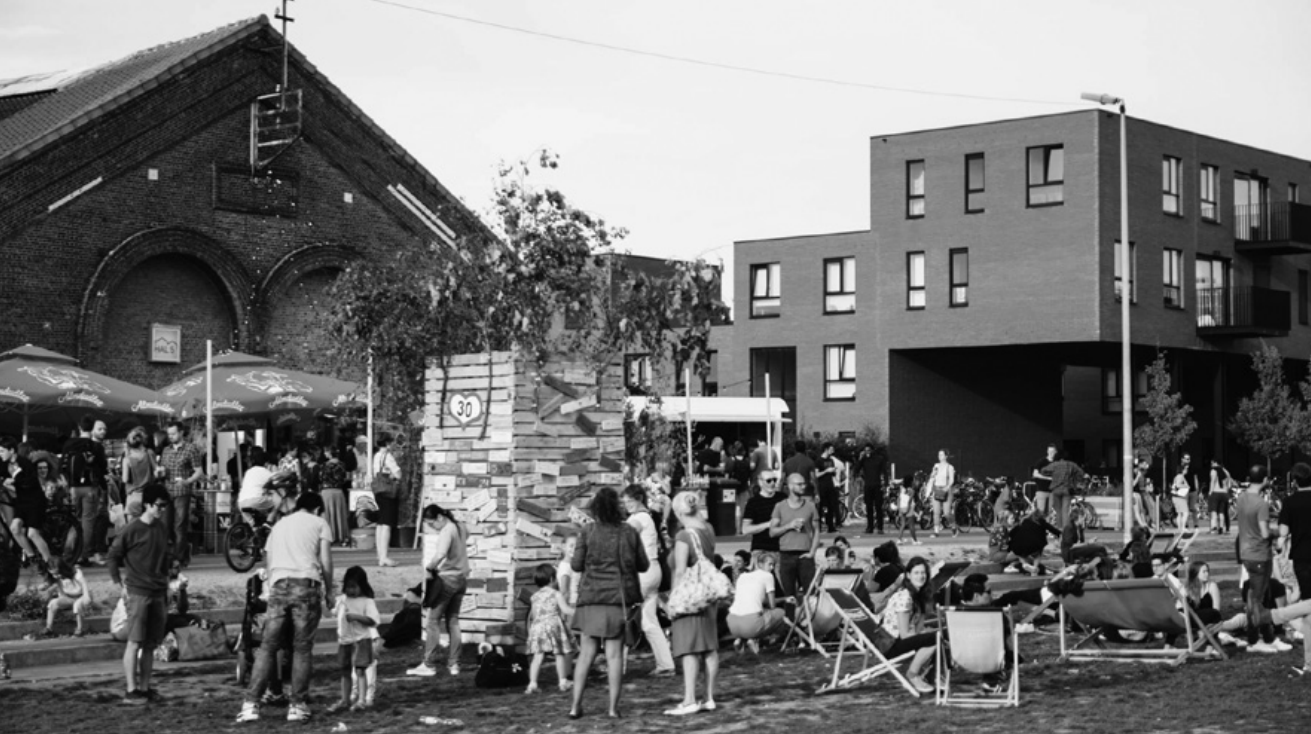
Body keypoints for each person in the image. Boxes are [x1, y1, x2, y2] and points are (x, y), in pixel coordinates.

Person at [236, 491, 334, 723]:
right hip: (306, 584)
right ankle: (297, 705)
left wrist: (271, 588)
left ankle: (251, 704)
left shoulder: (279, 526)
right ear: (317, 509)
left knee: (268, 647)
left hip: (279, 586)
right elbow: (326, 561)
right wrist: (329, 590)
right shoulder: (320, 523)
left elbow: (269, 561)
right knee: (302, 648)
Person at [568, 487, 648, 720]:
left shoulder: (587, 531)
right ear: (617, 507)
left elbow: (576, 565)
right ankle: (613, 708)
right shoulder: (629, 531)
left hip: (591, 599)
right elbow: (643, 565)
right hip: (619, 600)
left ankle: (575, 706)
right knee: (614, 656)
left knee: (586, 655)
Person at [106, 483, 173, 705]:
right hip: (138, 592)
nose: (162, 510)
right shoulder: (131, 529)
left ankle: (144, 688)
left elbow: (165, 559)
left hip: (158, 591)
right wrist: (119, 584)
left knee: (151, 644)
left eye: (164, 506)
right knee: (134, 642)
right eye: (159, 505)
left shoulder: (161, 529)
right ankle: (131, 689)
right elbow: (113, 556)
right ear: (147, 505)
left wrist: (168, 583)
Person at [664, 491, 720, 716]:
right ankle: (708, 697)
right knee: (709, 647)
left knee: (689, 648)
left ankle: (689, 699)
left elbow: (679, 570)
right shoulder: (709, 530)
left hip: (689, 597)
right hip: (708, 593)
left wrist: (673, 599)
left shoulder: (684, 536)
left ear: (678, 513)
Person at [406, 503, 470, 678]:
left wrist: (430, 567)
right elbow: (466, 537)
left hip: (447, 579)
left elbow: (441, 554)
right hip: (462, 578)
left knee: (432, 622)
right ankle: (454, 663)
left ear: (440, 517)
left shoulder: (447, 530)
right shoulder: (460, 526)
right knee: (453, 620)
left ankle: (429, 663)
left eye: (432, 523)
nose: (433, 528)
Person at [621, 484, 675, 676]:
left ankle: (617, 666)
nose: (627, 505)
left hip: (641, 574)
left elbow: (625, 535)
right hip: (653, 571)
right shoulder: (648, 517)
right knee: (649, 621)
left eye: (630, 501)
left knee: (624, 616)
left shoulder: (639, 518)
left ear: (639, 499)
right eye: (624, 501)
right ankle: (665, 664)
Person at [1234, 465, 1281, 652]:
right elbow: (1264, 532)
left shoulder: (1241, 498)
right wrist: (1278, 532)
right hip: (1260, 554)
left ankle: (1266, 636)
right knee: (1257, 599)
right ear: (1265, 480)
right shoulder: (1261, 504)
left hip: (1246, 552)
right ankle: (1255, 640)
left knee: (1256, 596)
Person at [880, 556, 940, 693]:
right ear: (908, 575)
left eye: (923, 573)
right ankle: (913, 675)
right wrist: (925, 635)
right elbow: (904, 634)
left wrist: (924, 633)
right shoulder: (905, 597)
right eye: (916, 573)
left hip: (901, 640)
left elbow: (918, 629)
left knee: (938, 635)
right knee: (935, 638)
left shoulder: (920, 596)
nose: (921, 576)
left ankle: (932, 675)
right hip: (890, 644)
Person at [1, 436, 56, 582]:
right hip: (22, 501)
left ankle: (51, 567)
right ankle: (34, 560)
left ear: (11, 450)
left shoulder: (25, 463)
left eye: (2, 451)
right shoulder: (4, 464)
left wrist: (14, 479)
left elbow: (29, 484)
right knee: (15, 529)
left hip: (35, 501)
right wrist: (5, 481)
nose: (0, 454)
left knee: (32, 534)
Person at [327, 566, 380, 713]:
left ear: (362, 586)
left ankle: (362, 699)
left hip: (361, 640)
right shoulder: (342, 600)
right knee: (345, 671)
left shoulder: (367, 602)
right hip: (345, 641)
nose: (351, 590)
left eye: (354, 587)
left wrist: (357, 617)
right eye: (348, 586)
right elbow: (332, 611)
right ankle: (345, 699)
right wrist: (327, 600)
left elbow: (373, 621)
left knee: (360, 670)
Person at [63, 416, 109, 566]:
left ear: (79, 427)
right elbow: (102, 469)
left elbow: (63, 465)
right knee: (88, 521)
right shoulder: (95, 446)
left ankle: (69, 552)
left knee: (75, 520)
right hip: (90, 487)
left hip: (73, 488)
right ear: (92, 428)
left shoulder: (69, 444)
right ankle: (83, 554)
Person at [770, 472, 820, 600]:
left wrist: (812, 552)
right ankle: (791, 613)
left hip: (805, 554)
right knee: (789, 595)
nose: (803, 486)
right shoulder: (780, 506)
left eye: (804, 484)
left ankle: (809, 613)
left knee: (811, 594)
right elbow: (772, 532)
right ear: (790, 486)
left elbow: (816, 531)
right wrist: (789, 526)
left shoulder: (810, 506)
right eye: (799, 484)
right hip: (786, 555)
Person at [525, 564, 574, 694]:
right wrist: (578, 611)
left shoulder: (534, 597)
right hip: (553, 625)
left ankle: (532, 684)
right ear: (552, 579)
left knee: (538, 656)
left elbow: (534, 615)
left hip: (538, 627)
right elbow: (565, 609)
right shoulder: (556, 594)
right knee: (559, 653)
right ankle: (563, 681)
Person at [159, 421, 203, 566]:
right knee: (165, 525)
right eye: (169, 434)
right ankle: (173, 554)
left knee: (180, 525)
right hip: (167, 491)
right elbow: (163, 469)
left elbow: (198, 471)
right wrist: (160, 472)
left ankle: (179, 558)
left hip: (182, 492)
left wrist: (187, 481)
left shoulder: (190, 449)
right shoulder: (166, 450)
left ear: (181, 432)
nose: (170, 436)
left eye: (173, 433)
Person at [726, 553, 787, 653]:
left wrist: (784, 599)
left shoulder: (743, 576)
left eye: (773, 565)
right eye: (770, 564)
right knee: (781, 613)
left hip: (732, 623)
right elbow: (772, 605)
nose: (772, 568)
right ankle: (758, 639)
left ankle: (741, 639)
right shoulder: (768, 576)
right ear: (760, 564)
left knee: (761, 614)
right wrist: (785, 599)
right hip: (751, 624)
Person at [1278, 461, 1311, 604]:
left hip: (1301, 553)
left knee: (1307, 594)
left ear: (1295, 482)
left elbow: (1283, 531)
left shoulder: (1289, 502)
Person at [39, 559, 92, 638]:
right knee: (53, 603)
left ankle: (80, 629)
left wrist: (86, 596)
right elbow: (49, 585)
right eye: (53, 574)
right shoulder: (56, 577)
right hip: (68, 597)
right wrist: (45, 586)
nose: (56, 576)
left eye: (57, 573)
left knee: (77, 605)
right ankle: (48, 627)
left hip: (81, 596)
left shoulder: (76, 572)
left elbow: (84, 583)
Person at [742, 469, 784, 568]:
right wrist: (768, 524)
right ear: (760, 482)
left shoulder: (783, 498)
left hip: (781, 548)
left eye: (774, 480)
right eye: (768, 481)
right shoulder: (753, 502)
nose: (772, 483)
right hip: (761, 548)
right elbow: (745, 529)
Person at [371, 433, 402, 567]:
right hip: (388, 492)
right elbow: (398, 474)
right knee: (387, 524)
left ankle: (380, 555)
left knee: (380, 523)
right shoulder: (388, 457)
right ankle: (384, 557)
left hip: (378, 490)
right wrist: (393, 477)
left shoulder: (376, 456)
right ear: (388, 443)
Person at [120, 427, 157, 518]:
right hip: (149, 494)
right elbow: (157, 472)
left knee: (134, 524)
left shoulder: (127, 459)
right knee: (148, 522)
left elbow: (125, 479)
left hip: (134, 496)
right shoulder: (149, 453)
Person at [1045, 450, 1085, 530]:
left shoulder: (1055, 464)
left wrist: (1052, 475)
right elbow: (1081, 473)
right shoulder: (1071, 464)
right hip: (1067, 489)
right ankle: (1066, 529)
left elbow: (1044, 470)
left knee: (1058, 511)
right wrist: (1074, 479)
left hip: (1056, 489)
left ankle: (1059, 528)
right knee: (1065, 510)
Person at [318, 446, 350, 545]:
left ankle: (328, 536)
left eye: (326, 452)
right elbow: (345, 478)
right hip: (338, 492)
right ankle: (340, 536)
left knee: (327, 515)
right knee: (339, 515)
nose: (325, 454)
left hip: (327, 492)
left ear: (330, 453)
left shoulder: (324, 465)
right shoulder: (342, 464)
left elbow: (321, 478)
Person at [857, 444, 887, 534]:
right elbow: (856, 469)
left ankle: (880, 527)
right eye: (865, 450)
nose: (867, 452)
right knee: (869, 507)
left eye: (868, 450)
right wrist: (860, 458)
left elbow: (884, 472)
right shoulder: (864, 460)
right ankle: (870, 527)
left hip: (877, 485)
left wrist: (885, 484)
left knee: (878, 507)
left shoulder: (879, 459)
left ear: (872, 450)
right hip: (868, 485)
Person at [927, 449, 956, 536]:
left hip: (946, 490)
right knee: (936, 512)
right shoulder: (936, 466)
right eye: (938, 454)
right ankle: (936, 531)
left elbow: (951, 480)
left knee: (946, 513)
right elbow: (932, 476)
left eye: (941, 455)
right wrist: (933, 473)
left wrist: (947, 488)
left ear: (946, 456)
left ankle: (953, 526)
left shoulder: (950, 467)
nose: (939, 456)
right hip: (937, 489)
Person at [815, 443, 841, 533]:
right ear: (826, 449)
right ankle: (818, 527)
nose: (832, 451)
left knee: (831, 506)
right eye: (831, 449)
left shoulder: (831, 460)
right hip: (822, 486)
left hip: (830, 485)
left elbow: (833, 474)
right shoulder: (819, 461)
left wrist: (833, 471)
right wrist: (826, 471)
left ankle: (831, 526)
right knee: (821, 506)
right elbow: (816, 475)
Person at [1030, 443, 1057, 520]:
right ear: (1047, 452)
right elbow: (1035, 474)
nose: (1051, 453)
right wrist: (1048, 478)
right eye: (1049, 451)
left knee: (1049, 512)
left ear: (1055, 452)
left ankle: (1046, 525)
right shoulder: (1041, 462)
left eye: (1052, 452)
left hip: (1052, 491)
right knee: (1040, 512)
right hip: (1042, 490)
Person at [1208, 460, 1234, 535]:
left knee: (1214, 511)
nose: (1211, 464)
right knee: (1221, 512)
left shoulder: (1213, 471)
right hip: (1224, 493)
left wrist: (1210, 492)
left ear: (1217, 463)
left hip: (1216, 492)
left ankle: (1214, 528)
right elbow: (1229, 483)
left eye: (1213, 463)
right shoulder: (1226, 471)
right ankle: (1221, 528)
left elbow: (1212, 481)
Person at [896, 475, 922, 545]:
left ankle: (899, 539)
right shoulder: (912, 490)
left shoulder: (901, 489)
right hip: (909, 508)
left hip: (901, 507)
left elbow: (898, 499)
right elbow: (910, 501)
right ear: (911, 482)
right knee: (911, 525)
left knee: (902, 524)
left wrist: (899, 508)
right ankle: (915, 540)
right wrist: (908, 509)